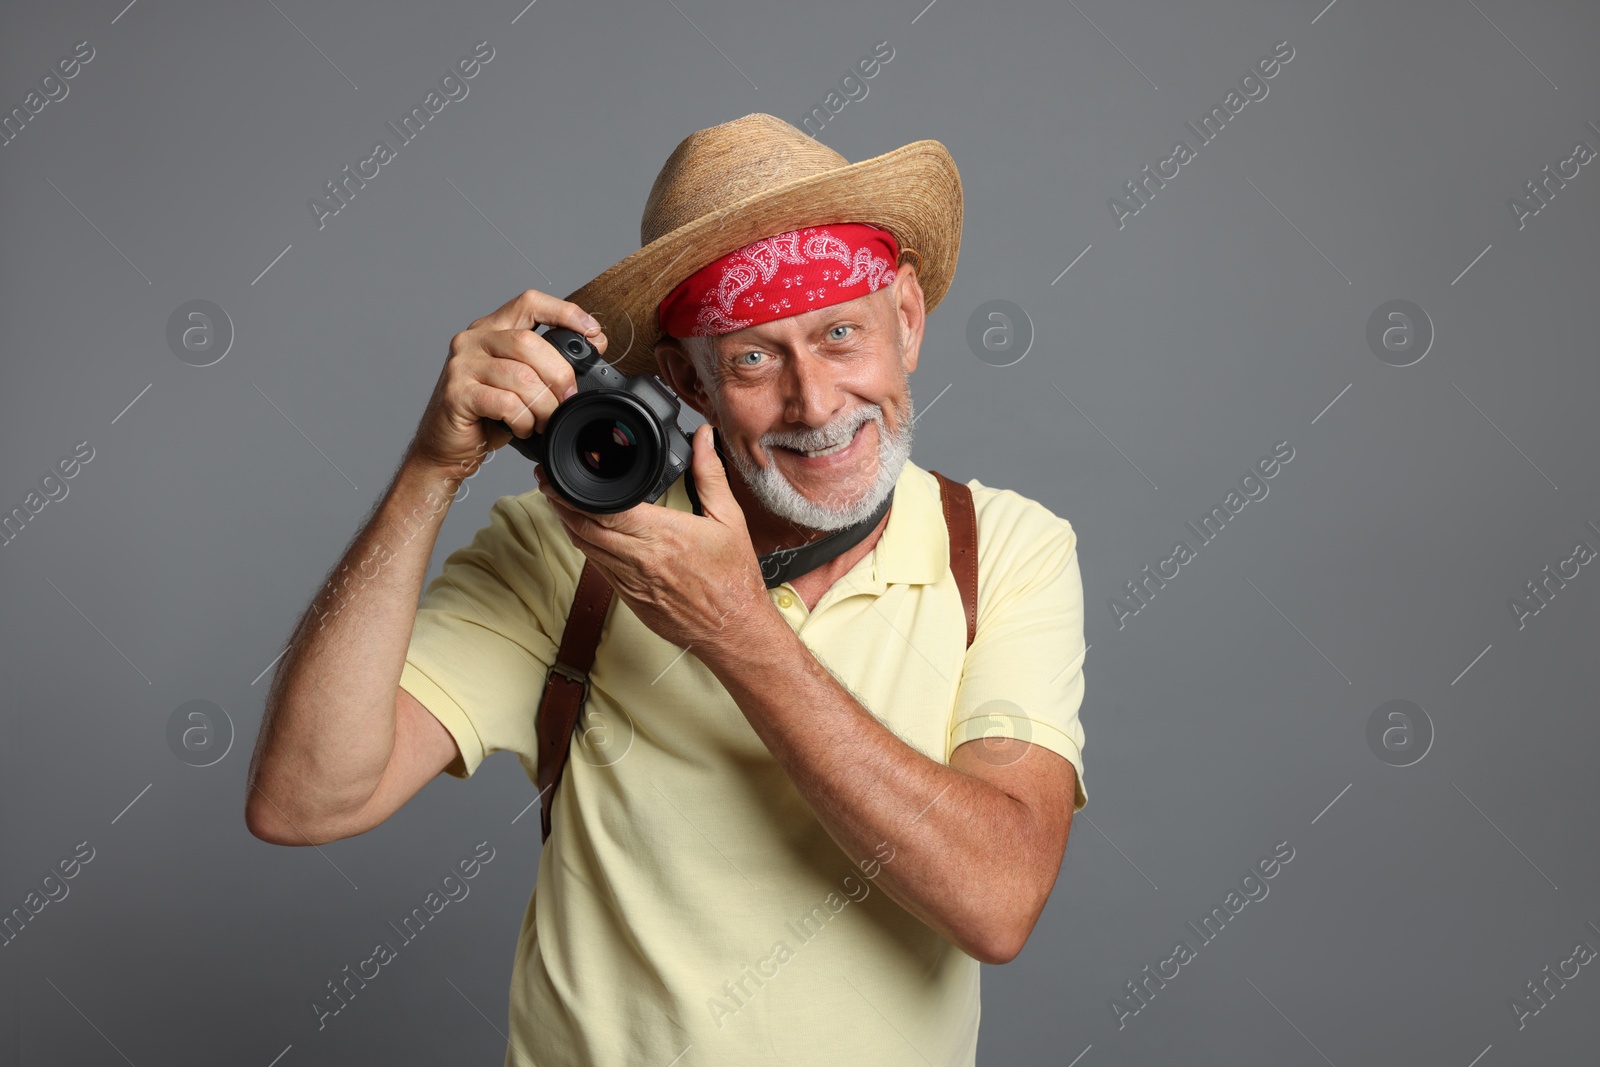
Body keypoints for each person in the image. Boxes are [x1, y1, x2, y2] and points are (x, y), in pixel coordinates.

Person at [246, 113, 1088, 1067]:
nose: (815, 403)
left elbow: (999, 898)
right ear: (688, 380)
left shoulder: (1004, 551)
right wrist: (429, 471)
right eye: (755, 358)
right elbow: (303, 800)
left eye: (841, 333)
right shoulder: (567, 548)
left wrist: (735, 629)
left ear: (907, 322)